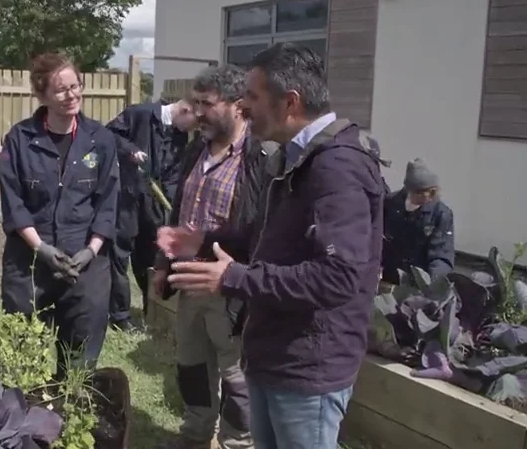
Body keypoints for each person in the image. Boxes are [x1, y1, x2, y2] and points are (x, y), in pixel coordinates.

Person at [160, 43, 387, 449]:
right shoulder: (291, 158)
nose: (243, 106)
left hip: (308, 369)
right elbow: (265, 238)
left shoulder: (337, 167)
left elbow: (338, 276)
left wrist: (234, 277)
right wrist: (209, 240)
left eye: (252, 96)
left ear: (290, 102)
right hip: (272, 355)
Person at [152, 64, 276, 449]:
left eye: (207, 103)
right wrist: (162, 265)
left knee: (237, 376)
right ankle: (195, 435)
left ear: (238, 106)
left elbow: (262, 232)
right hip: (188, 285)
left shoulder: (260, 161)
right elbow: (177, 215)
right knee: (191, 367)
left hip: (231, 292)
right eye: (196, 102)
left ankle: (238, 442)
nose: (198, 112)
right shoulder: (195, 152)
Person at [0, 52, 119, 378]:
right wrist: (41, 249)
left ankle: (72, 411)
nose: (72, 95)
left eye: (76, 85)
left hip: (86, 263)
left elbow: (107, 203)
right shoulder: (20, 140)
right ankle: (23, 419)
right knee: (24, 353)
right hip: (30, 262)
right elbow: (14, 203)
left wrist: (91, 250)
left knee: (80, 356)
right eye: (61, 89)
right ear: (42, 95)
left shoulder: (101, 140)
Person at [106, 98, 195, 331]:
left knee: (150, 257)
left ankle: (151, 310)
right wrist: (130, 150)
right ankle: (120, 316)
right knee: (119, 255)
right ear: (185, 109)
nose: (192, 130)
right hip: (126, 197)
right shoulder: (140, 114)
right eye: (192, 123)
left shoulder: (180, 136)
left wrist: (174, 206)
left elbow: (174, 174)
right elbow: (108, 134)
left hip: (153, 202)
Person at [382, 158, 455, 285]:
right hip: (388, 278)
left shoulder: (440, 214)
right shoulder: (390, 204)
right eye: (430, 192)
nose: (434, 196)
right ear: (413, 191)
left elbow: (441, 254)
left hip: (419, 283)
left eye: (435, 191)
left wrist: (435, 283)